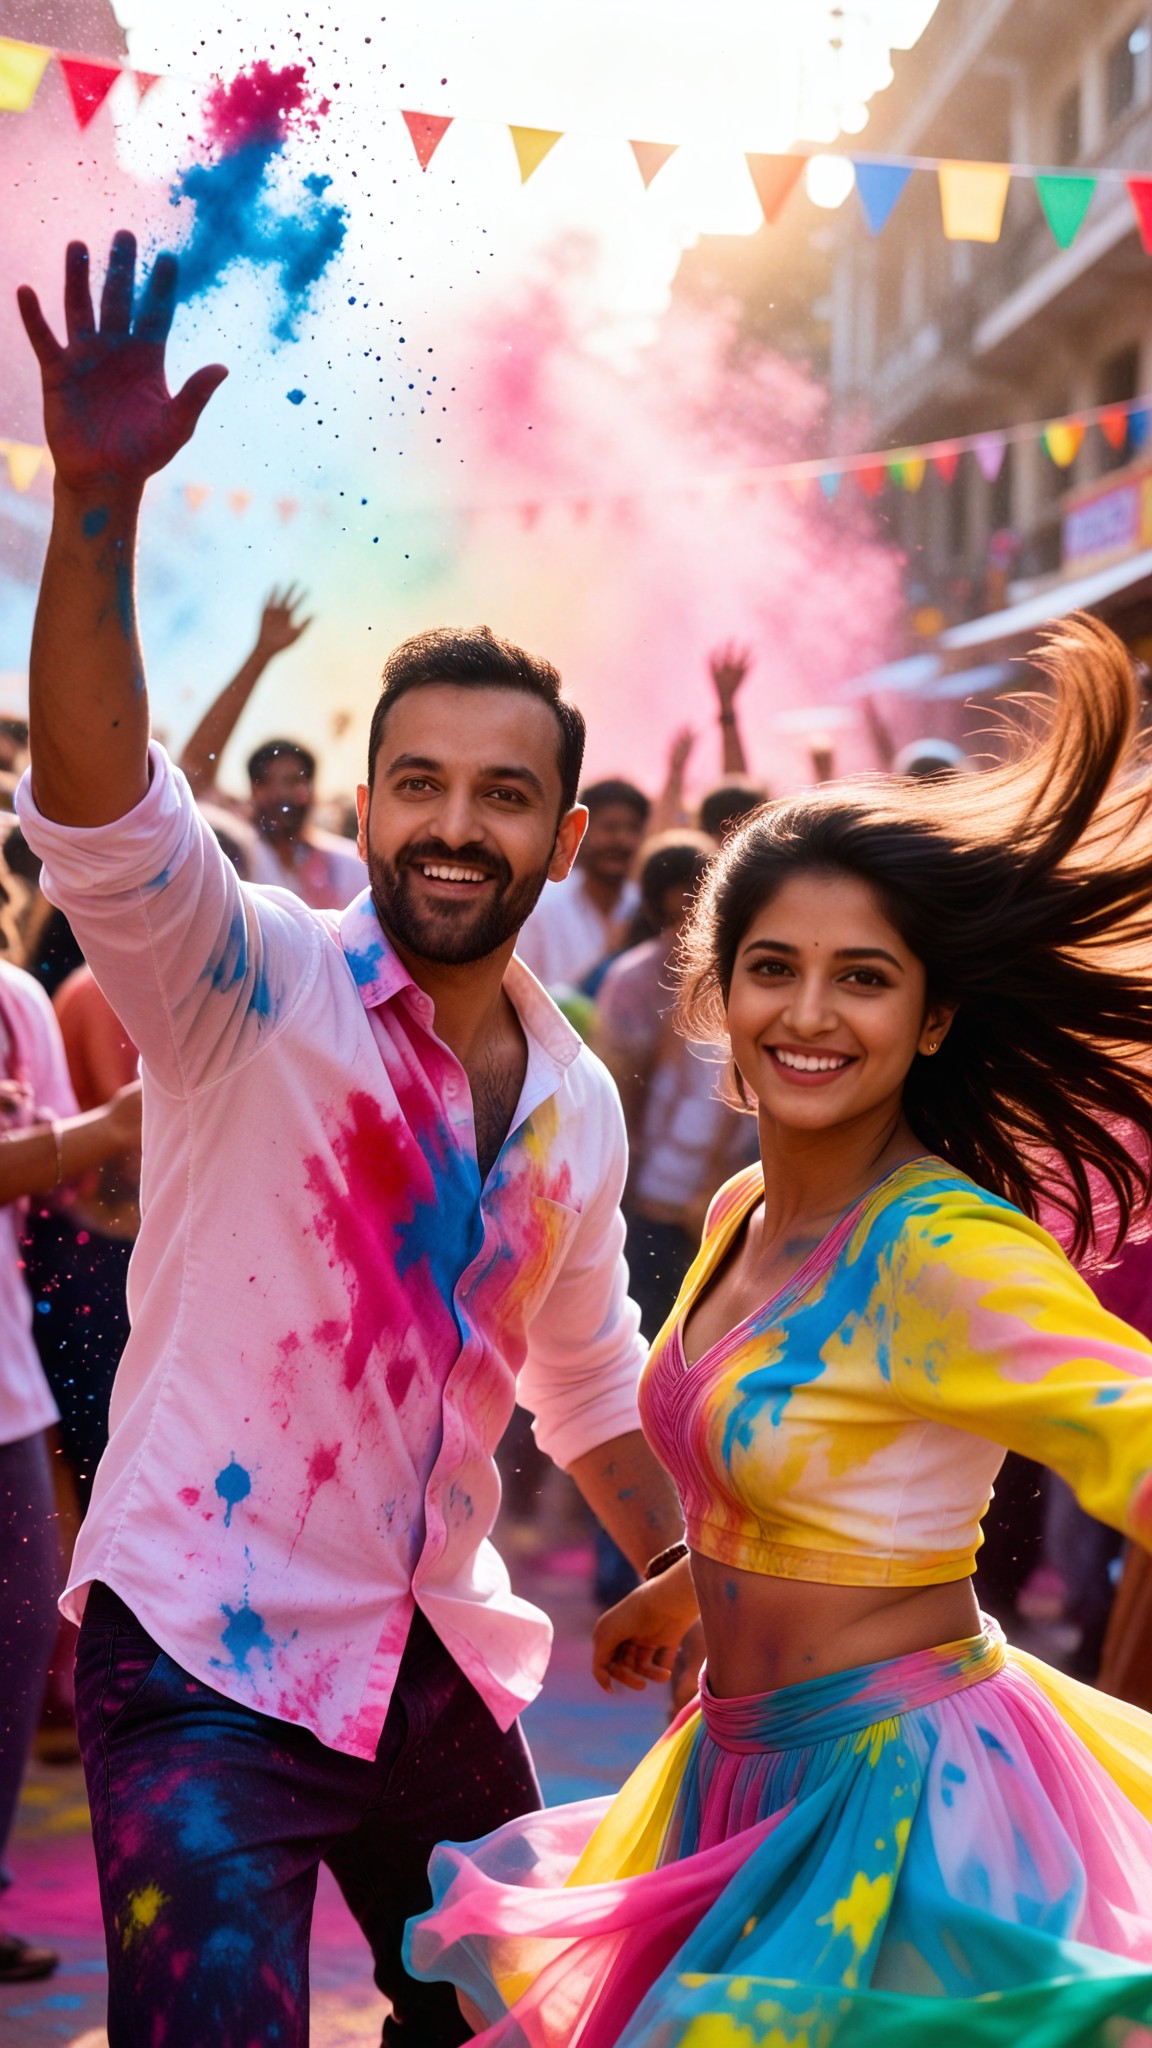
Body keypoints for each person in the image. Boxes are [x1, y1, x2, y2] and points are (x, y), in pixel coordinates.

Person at [15, 232, 684, 2045]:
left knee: (520, 2017)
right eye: (422, 783)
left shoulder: (574, 1097)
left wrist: (679, 1556)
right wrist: (96, 508)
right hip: (198, 1651)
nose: (456, 824)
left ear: (556, 836)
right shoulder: (251, 980)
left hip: (424, 1658)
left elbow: (591, 1377)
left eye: (504, 793)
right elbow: (100, 806)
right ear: (371, 801)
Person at [407, 616, 1152, 2047]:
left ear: (933, 1019)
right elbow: (808, 1465)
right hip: (728, 1779)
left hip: (905, 1806)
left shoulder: (946, 1252)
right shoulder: (749, 1206)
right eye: (773, 968)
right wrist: (687, 1589)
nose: (810, 1016)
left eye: (864, 977)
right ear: (717, 992)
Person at [0, 960, 140, 1983]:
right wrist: (99, 1131)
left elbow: (46, 1179)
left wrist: (41, 1142)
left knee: (13, 1641)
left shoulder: (15, 995)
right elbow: (63, 1154)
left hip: (7, 1381)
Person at [594, 830, 753, 1342]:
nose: (687, 934)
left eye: (698, 916)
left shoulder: (747, 981)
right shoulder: (634, 980)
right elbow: (621, 1094)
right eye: (675, 917)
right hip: (653, 1191)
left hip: (727, 1189)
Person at [179, 586, 366, 911]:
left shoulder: (348, 866)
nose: (282, 794)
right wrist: (261, 654)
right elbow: (195, 766)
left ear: (310, 788)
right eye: (268, 781)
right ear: (254, 789)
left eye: (294, 780)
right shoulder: (239, 851)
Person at [515, 776, 649, 993]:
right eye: (610, 828)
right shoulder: (541, 905)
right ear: (581, 832)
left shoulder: (644, 907)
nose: (621, 840)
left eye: (632, 828)